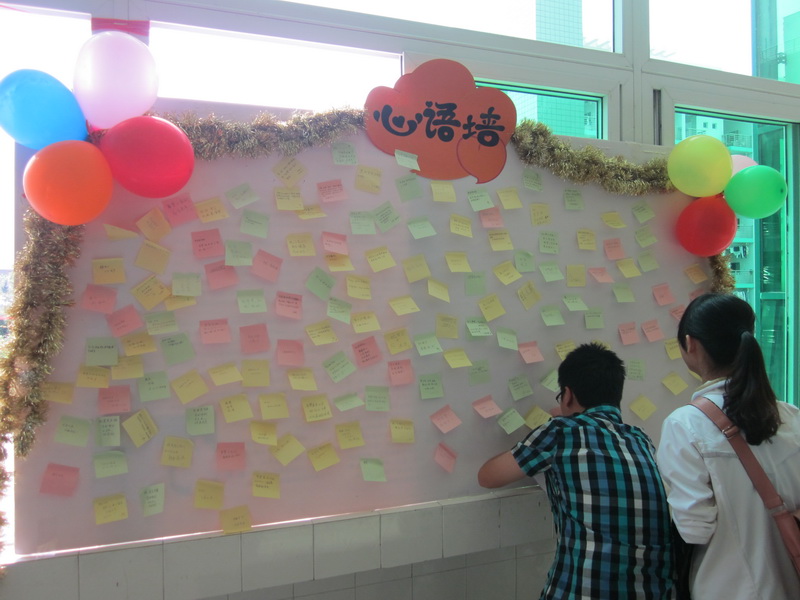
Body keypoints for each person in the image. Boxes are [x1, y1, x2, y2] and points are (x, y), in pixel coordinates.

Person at [478, 342, 674, 599]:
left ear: (567, 395)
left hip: (583, 591)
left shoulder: (560, 432)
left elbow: (488, 476)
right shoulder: (640, 439)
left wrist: (549, 430)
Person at [657, 292, 800, 599]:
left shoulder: (684, 424)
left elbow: (695, 528)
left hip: (729, 588)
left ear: (690, 344)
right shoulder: (791, 416)